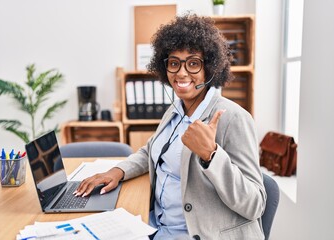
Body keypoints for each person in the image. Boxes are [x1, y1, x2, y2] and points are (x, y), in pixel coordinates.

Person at [74, 13, 267, 240]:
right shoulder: (176, 109)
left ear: (210, 68)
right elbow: (151, 150)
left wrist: (211, 156)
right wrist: (116, 172)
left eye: (193, 64)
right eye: (174, 63)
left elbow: (255, 204)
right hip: (157, 226)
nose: (181, 73)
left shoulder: (232, 118)